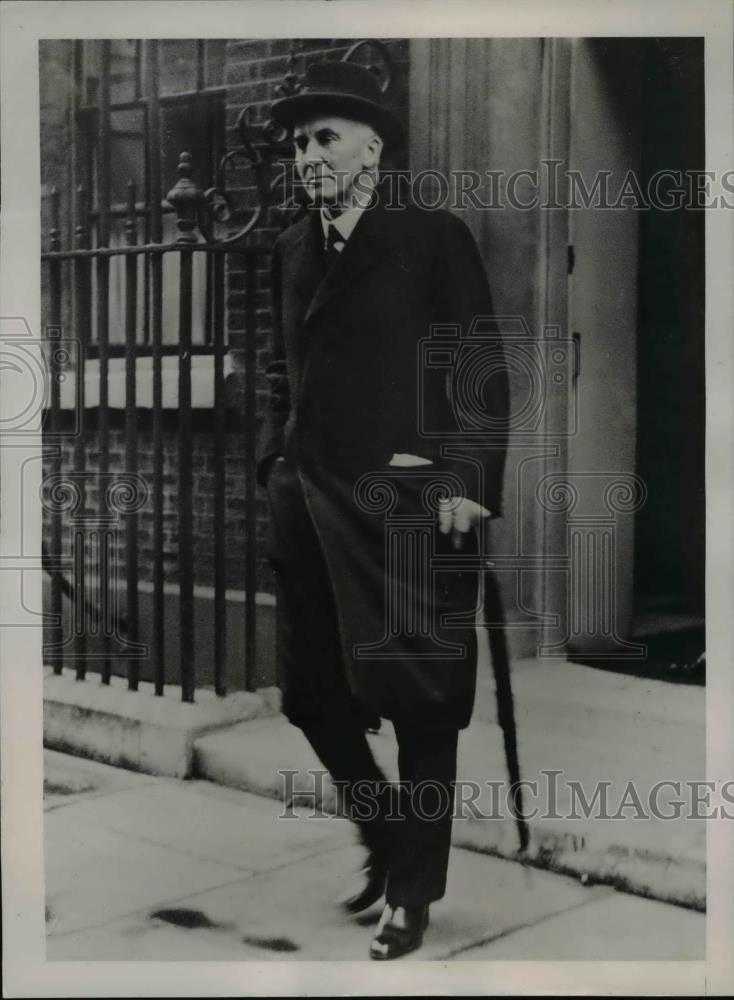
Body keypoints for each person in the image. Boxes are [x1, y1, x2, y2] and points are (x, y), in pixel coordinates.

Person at [258, 59, 509, 960]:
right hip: (307, 508)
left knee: (421, 705)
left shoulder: (431, 237)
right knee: (311, 700)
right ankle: (388, 838)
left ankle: (413, 891)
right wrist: (272, 463)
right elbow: (279, 372)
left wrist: (472, 485)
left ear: (374, 147)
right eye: (298, 143)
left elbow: (478, 370)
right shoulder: (291, 248)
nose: (308, 155)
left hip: (410, 509)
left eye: (325, 137)